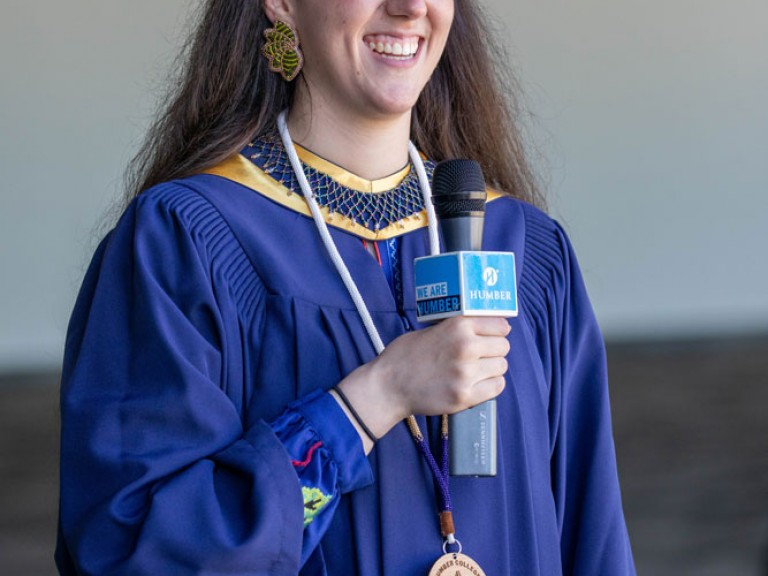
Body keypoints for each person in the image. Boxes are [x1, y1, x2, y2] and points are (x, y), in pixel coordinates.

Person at [56, 0, 636, 574]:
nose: (410, 7)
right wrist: (372, 400)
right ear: (282, 4)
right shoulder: (187, 242)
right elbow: (131, 550)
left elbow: (594, 542)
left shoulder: (528, 247)